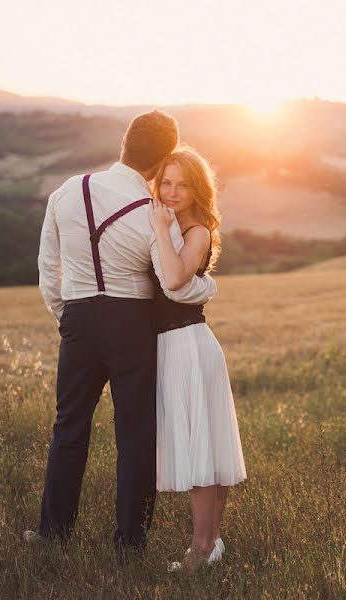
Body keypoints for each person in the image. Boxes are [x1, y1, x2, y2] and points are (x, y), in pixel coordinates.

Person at [28, 110, 218, 559]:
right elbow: (176, 281)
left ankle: (53, 533)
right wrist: (210, 286)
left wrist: (66, 315)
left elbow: (47, 267)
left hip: (77, 319)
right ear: (161, 161)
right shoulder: (157, 215)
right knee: (134, 434)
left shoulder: (66, 191)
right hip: (131, 323)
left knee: (69, 426)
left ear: (125, 142)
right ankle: (129, 543)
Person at [148, 147, 246, 573]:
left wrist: (157, 226)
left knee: (202, 450)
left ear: (197, 189)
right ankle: (210, 544)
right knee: (208, 448)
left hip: (187, 345)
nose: (171, 192)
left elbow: (173, 278)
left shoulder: (197, 232)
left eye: (182, 184)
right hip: (180, 344)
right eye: (165, 182)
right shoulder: (178, 226)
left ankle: (200, 551)